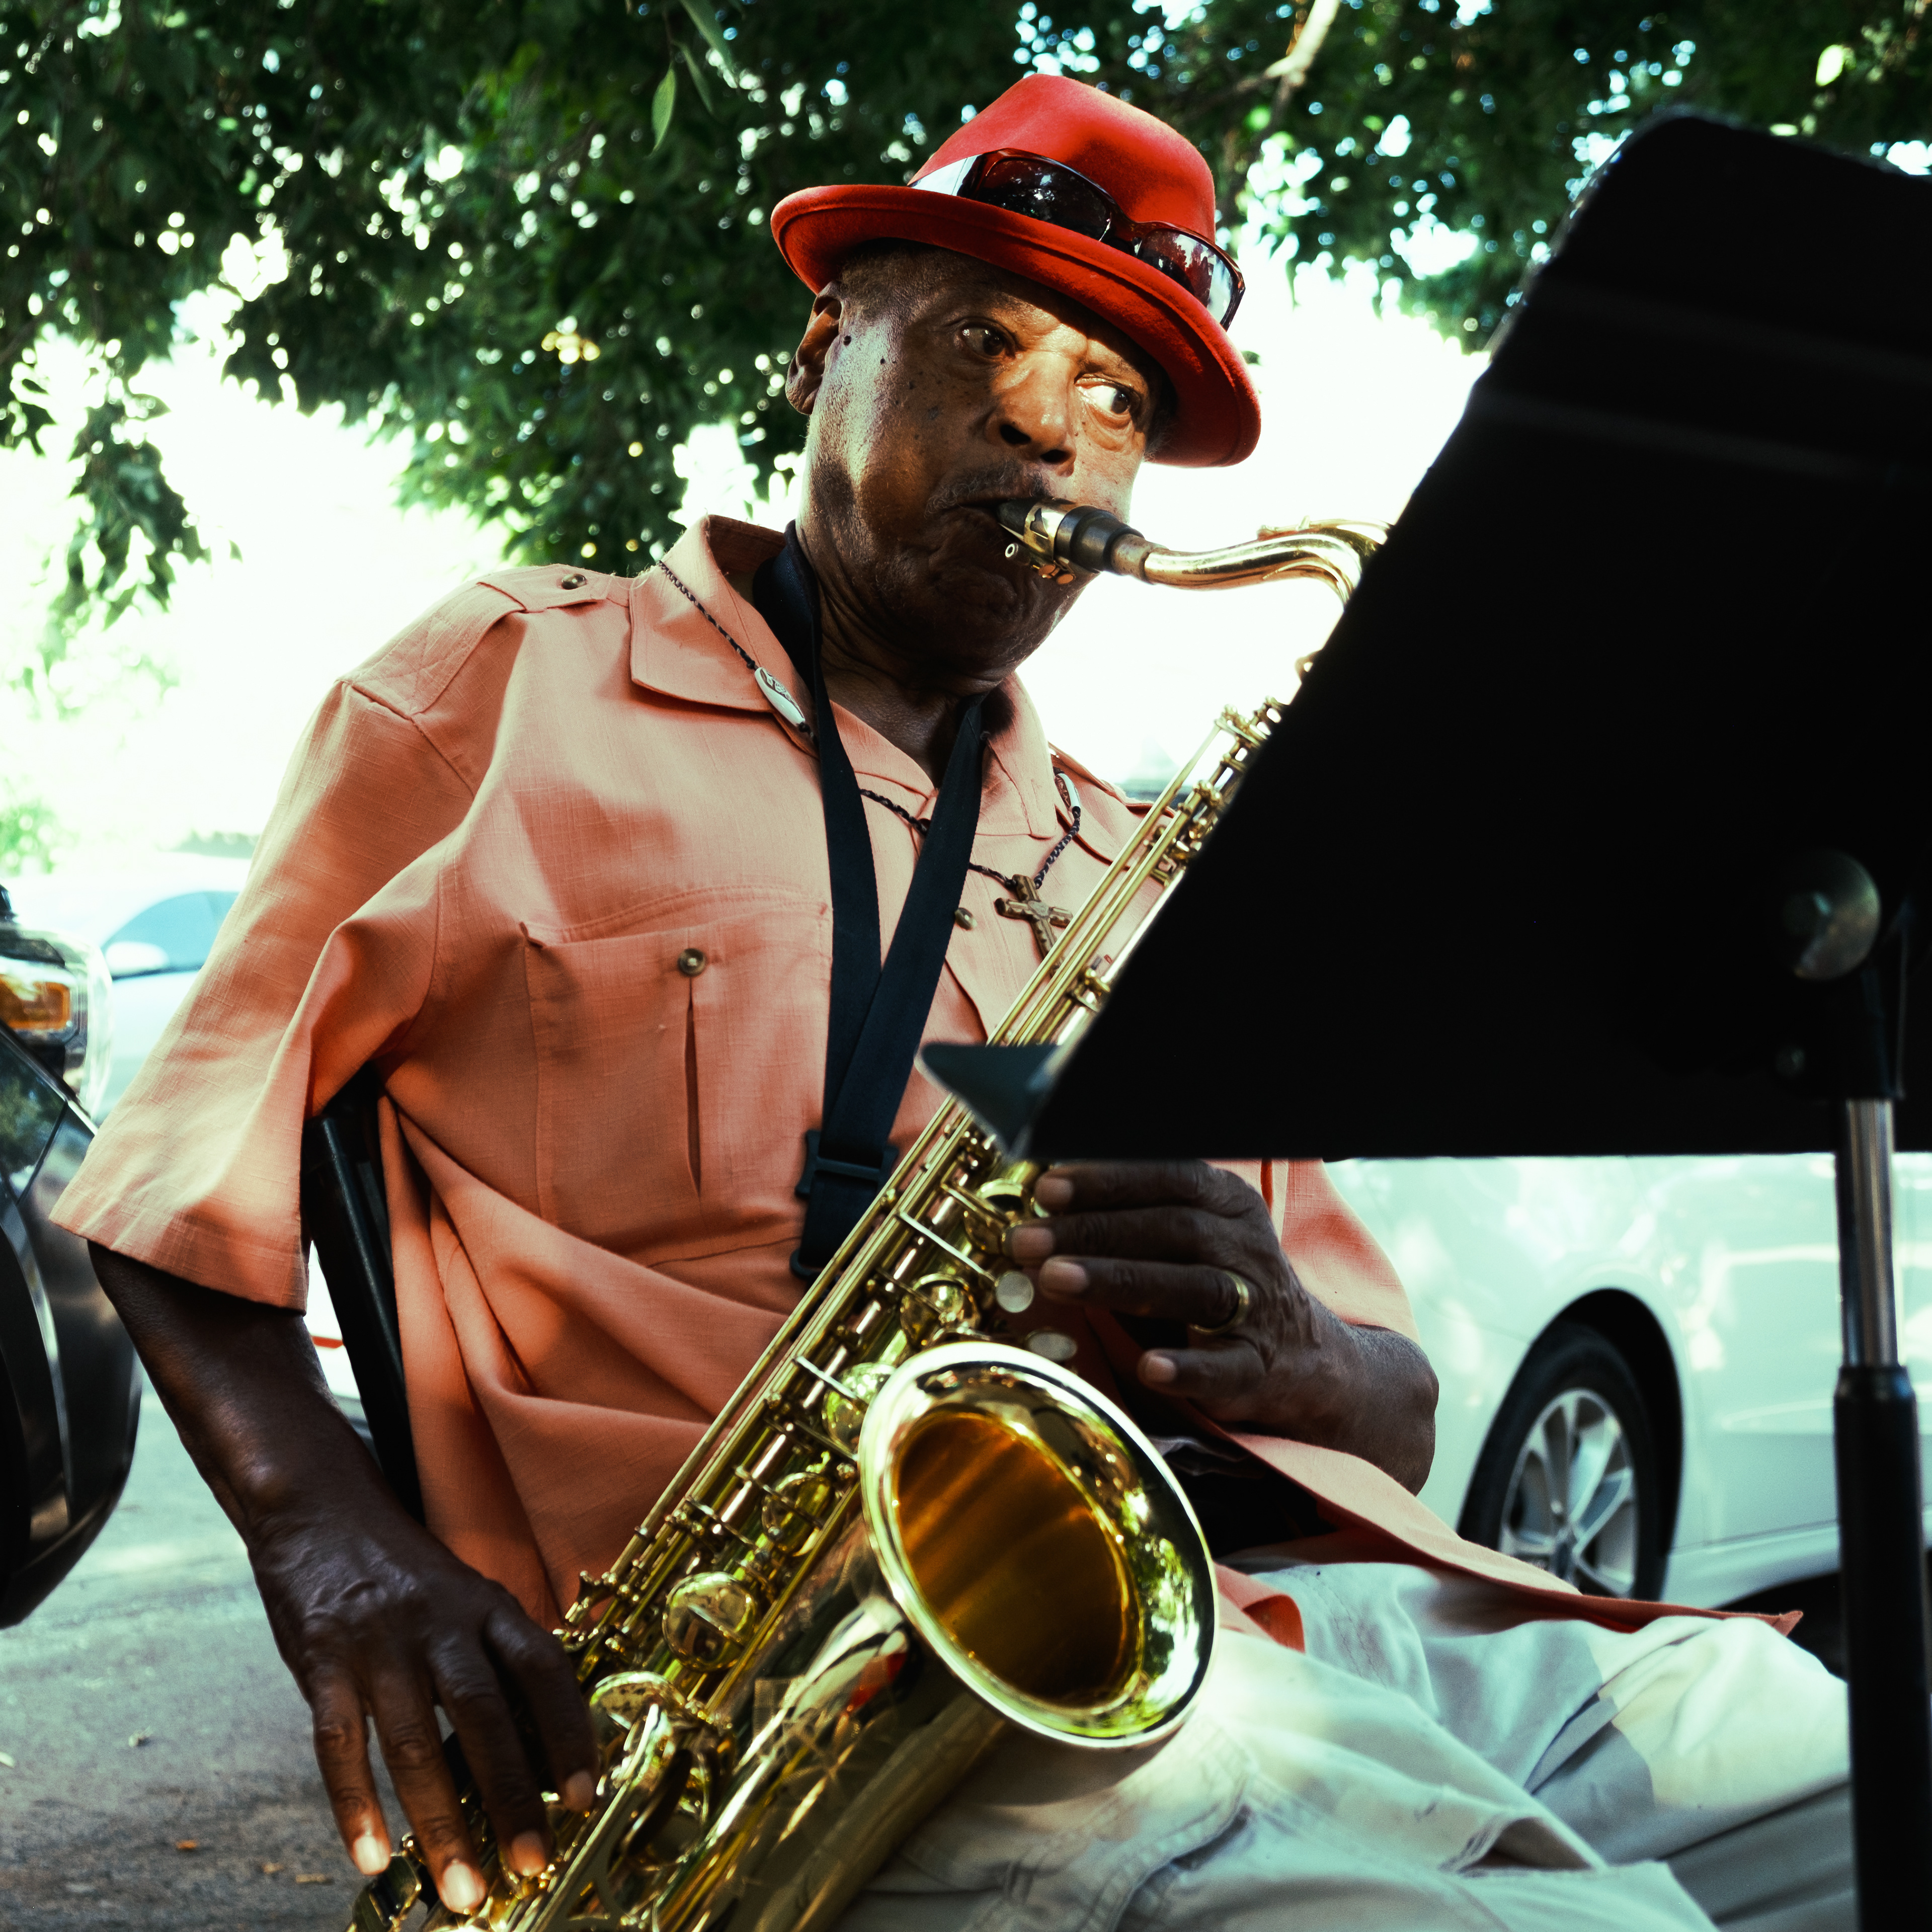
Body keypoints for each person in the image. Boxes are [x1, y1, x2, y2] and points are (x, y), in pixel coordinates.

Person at [58, 73, 1849, 1931]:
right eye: (984, 341)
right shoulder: (504, 691)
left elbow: (1391, 1415)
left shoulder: (1139, 861)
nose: (1045, 424)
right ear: (821, 353)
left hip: (1247, 1630)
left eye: (1116, 399)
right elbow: (167, 1189)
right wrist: (328, 1549)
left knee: (1848, 1758)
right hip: (796, 1724)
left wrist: (1289, 1339)